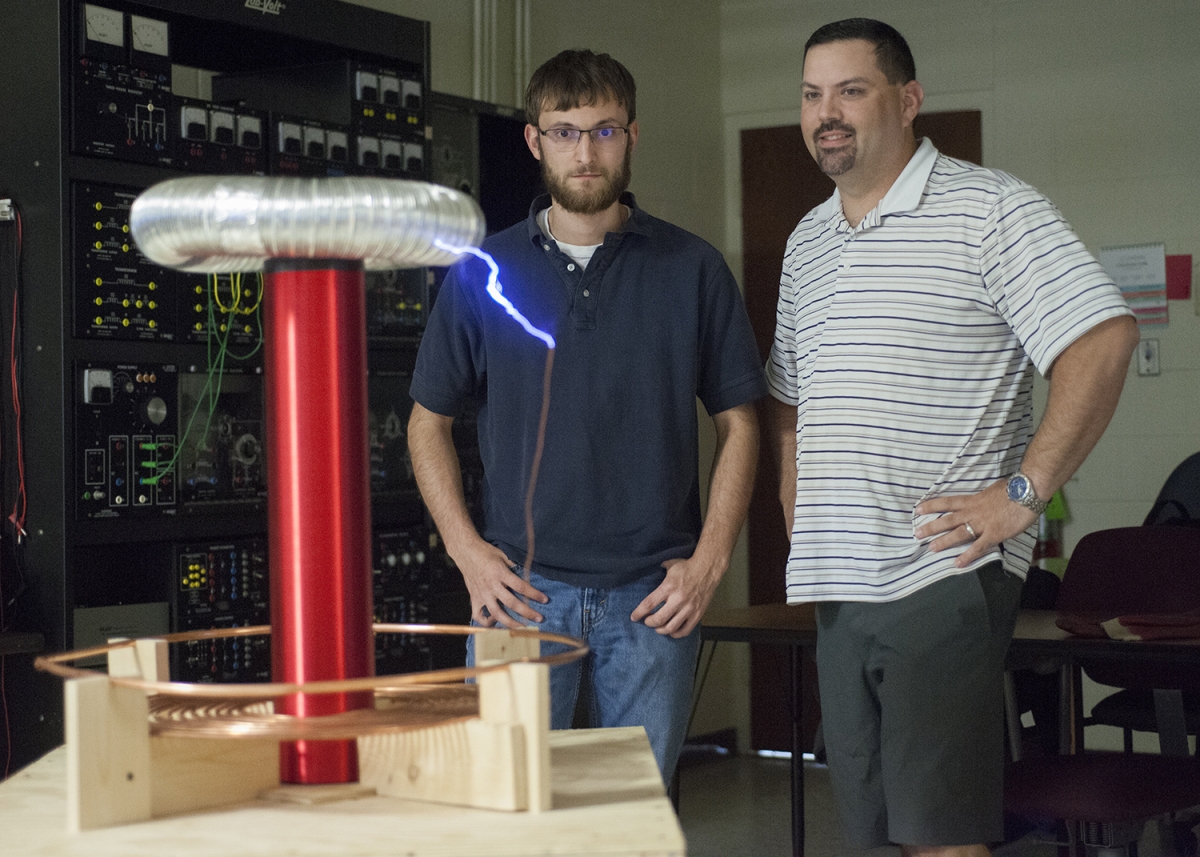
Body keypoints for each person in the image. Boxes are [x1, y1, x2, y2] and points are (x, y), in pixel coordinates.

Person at [765, 18, 1139, 857]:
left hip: (940, 569)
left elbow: (1102, 338)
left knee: (939, 835)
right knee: (868, 833)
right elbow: (788, 395)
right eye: (812, 94)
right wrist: (794, 493)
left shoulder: (990, 207)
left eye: (851, 91)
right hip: (839, 578)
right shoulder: (806, 241)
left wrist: (1023, 494)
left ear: (908, 99)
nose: (827, 113)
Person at [408, 48, 766, 782]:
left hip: (651, 598)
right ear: (535, 142)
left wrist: (710, 562)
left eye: (603, 130)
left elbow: (742, 424)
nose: (586, 150)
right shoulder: (482, 273)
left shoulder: (692, 268)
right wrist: (466, 551)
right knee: (512, 814)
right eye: (566, 131)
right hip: (519, 594)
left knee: (632, 816)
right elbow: (426, 422)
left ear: (632, 136)